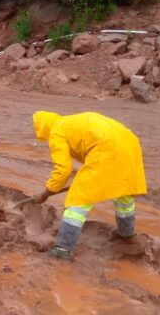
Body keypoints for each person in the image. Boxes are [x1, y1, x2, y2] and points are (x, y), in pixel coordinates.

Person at [31, 111, 146, 260]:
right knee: (123, 192)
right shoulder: (70, 122)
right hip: (129, 144)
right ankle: (127, 234)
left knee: (78, 198)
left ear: (43, 128)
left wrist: (46, 193)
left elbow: (63, 170)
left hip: (106, 148)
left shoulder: (56, 132)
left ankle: (63, 248)